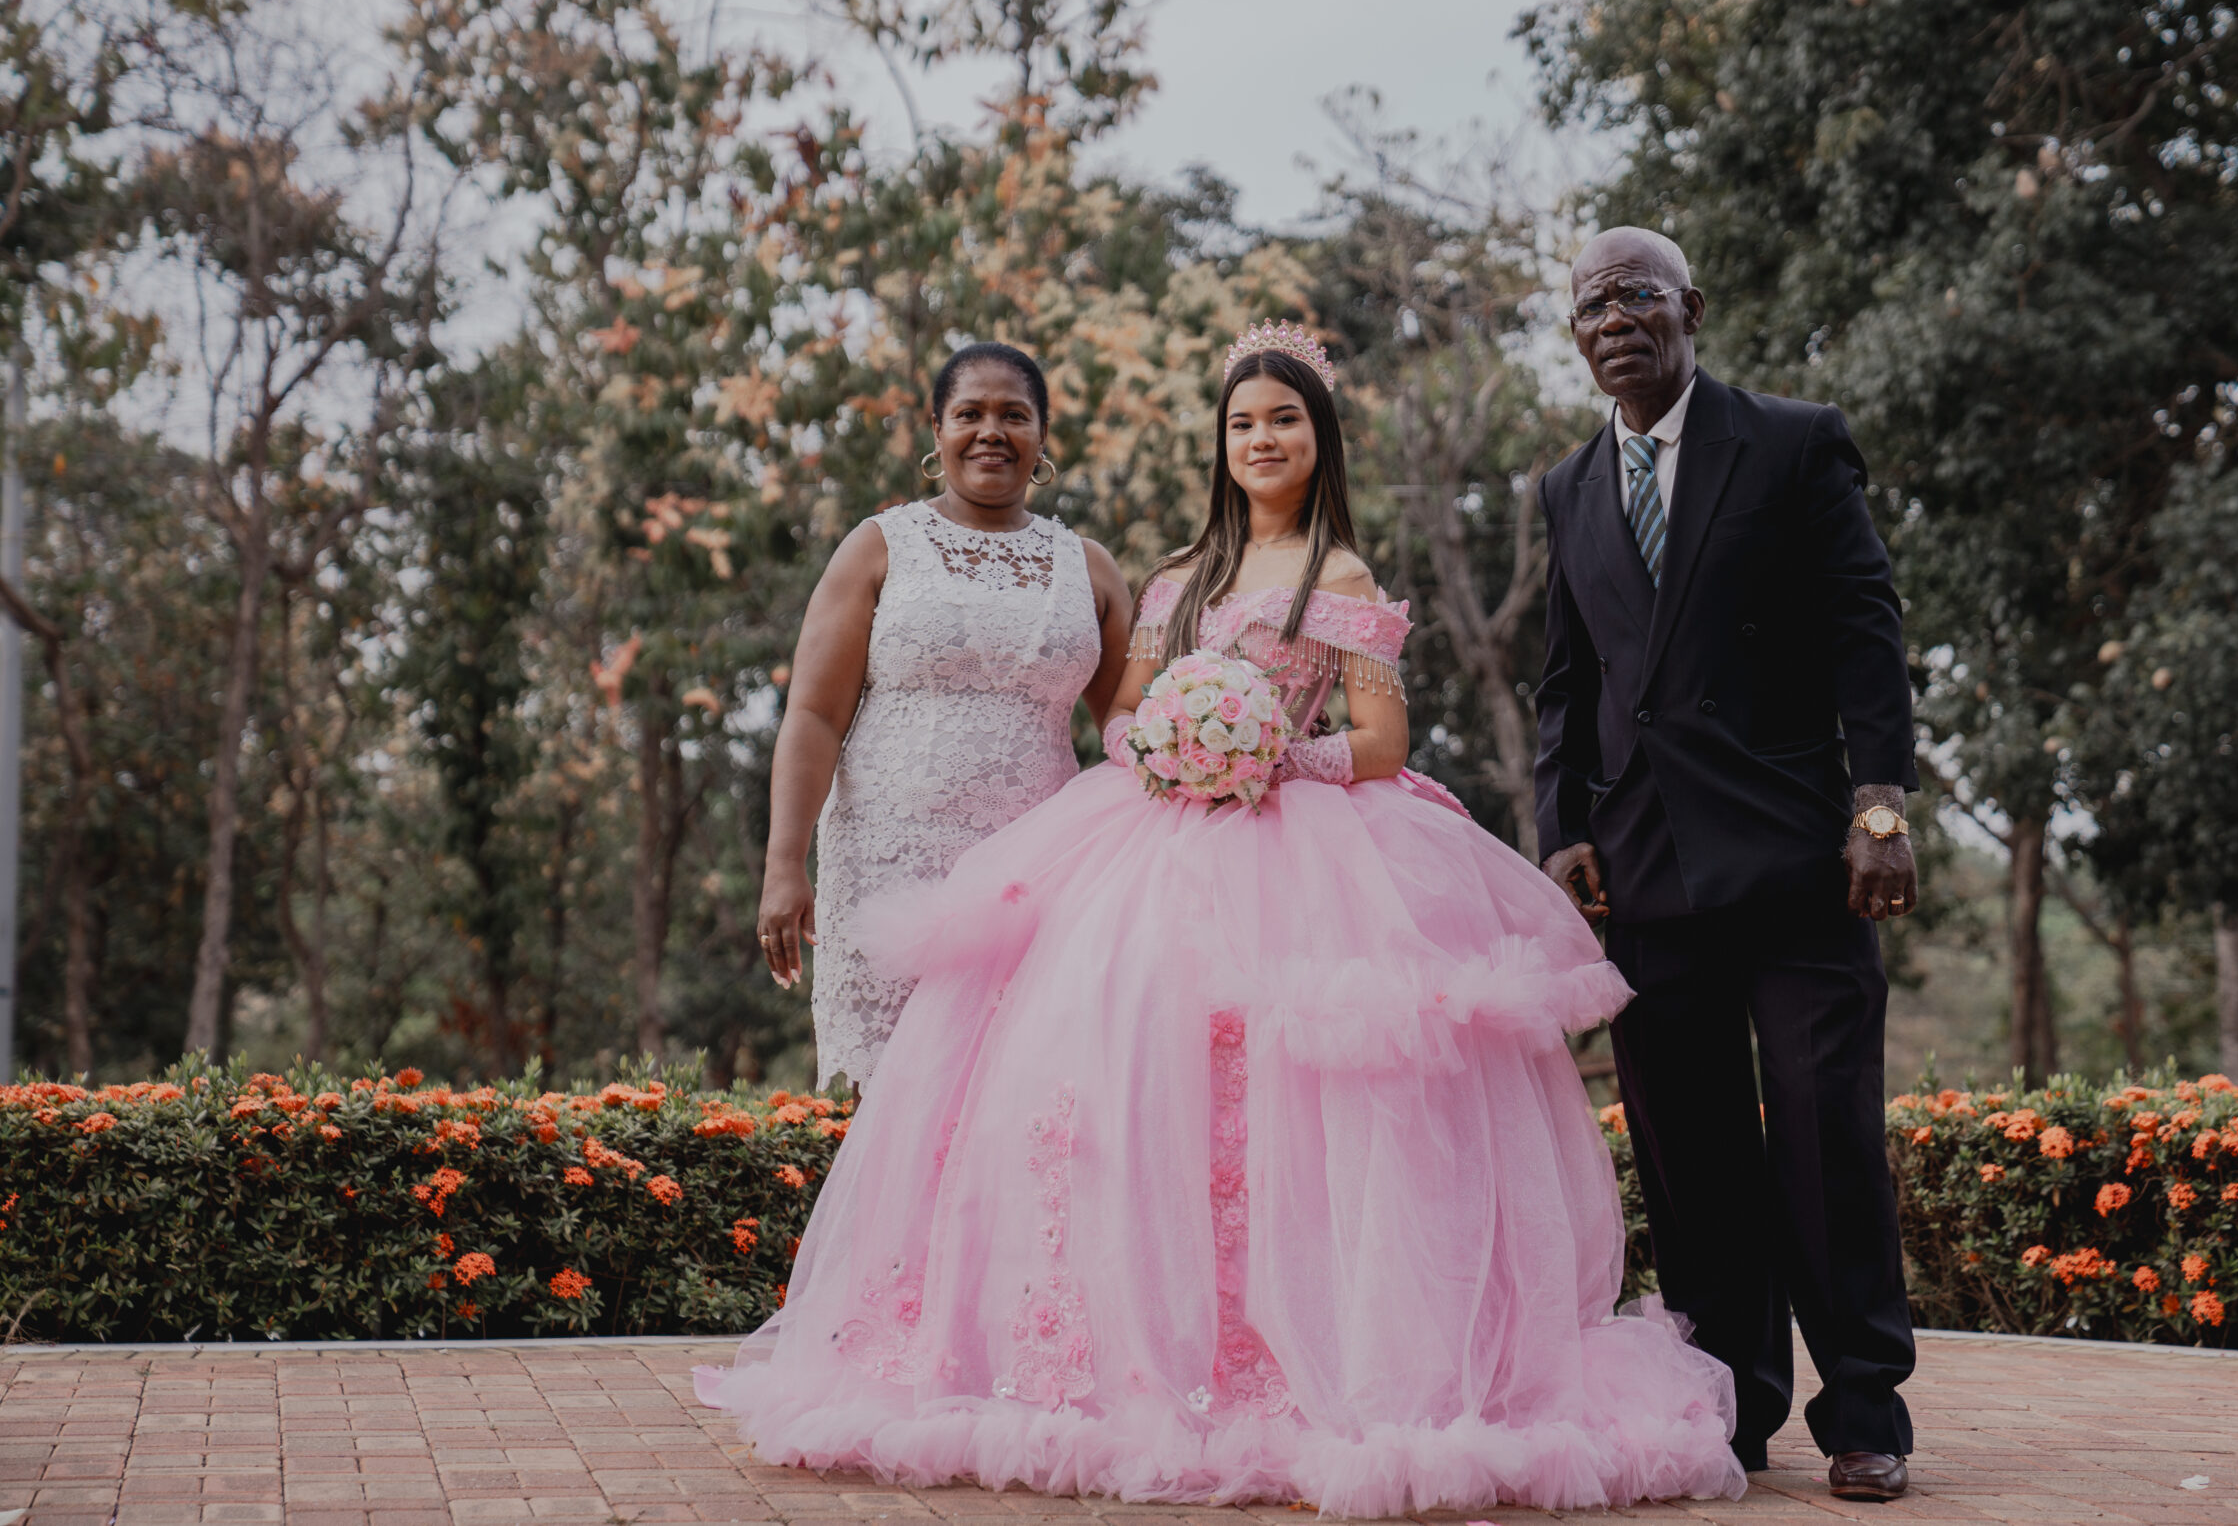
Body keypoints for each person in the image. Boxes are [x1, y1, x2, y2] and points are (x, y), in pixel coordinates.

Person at [698, 321, 1747, 1514]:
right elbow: (1124, 711)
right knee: (1117, 1079)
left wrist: (1267, 756)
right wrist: (1171, 747)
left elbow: (1381, 741)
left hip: (1308, 849)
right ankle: (1120, 1353)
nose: (1261, 439)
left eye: (1284, 420)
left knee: (1304, 1098)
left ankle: (1303, 1358)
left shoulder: (1340, 578)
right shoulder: (1175, 579)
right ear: (1220, 442)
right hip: (1158, 842)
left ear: (1319, 439)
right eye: (1242, 422)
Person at [1534, 227, 1922, 1502]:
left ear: (1690, 307)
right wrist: (1560, 826)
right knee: (1690, 1160)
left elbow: (1863, 620)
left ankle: (1863, 1412)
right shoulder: (1567, 489)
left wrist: (1879, 806)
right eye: (1590, 306)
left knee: (1825, 1137)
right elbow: (1568, 680)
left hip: (1799, 857)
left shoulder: (1793, 442)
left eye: (1636, 294)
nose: (1613, 319)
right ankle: (1730, 1410)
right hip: (1644, 870)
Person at [756, 341, 1132, 1091]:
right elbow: (814, 716)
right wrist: (783, 863)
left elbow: (1132, 730)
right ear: (937, 430)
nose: (992, 431)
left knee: (1021, 1096)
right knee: (891, 1096)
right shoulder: (878, 548)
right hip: (891, 866)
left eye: (1014, 415)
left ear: (1042, 436)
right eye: (970, 413)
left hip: (1036, 876)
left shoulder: (1088, 567)